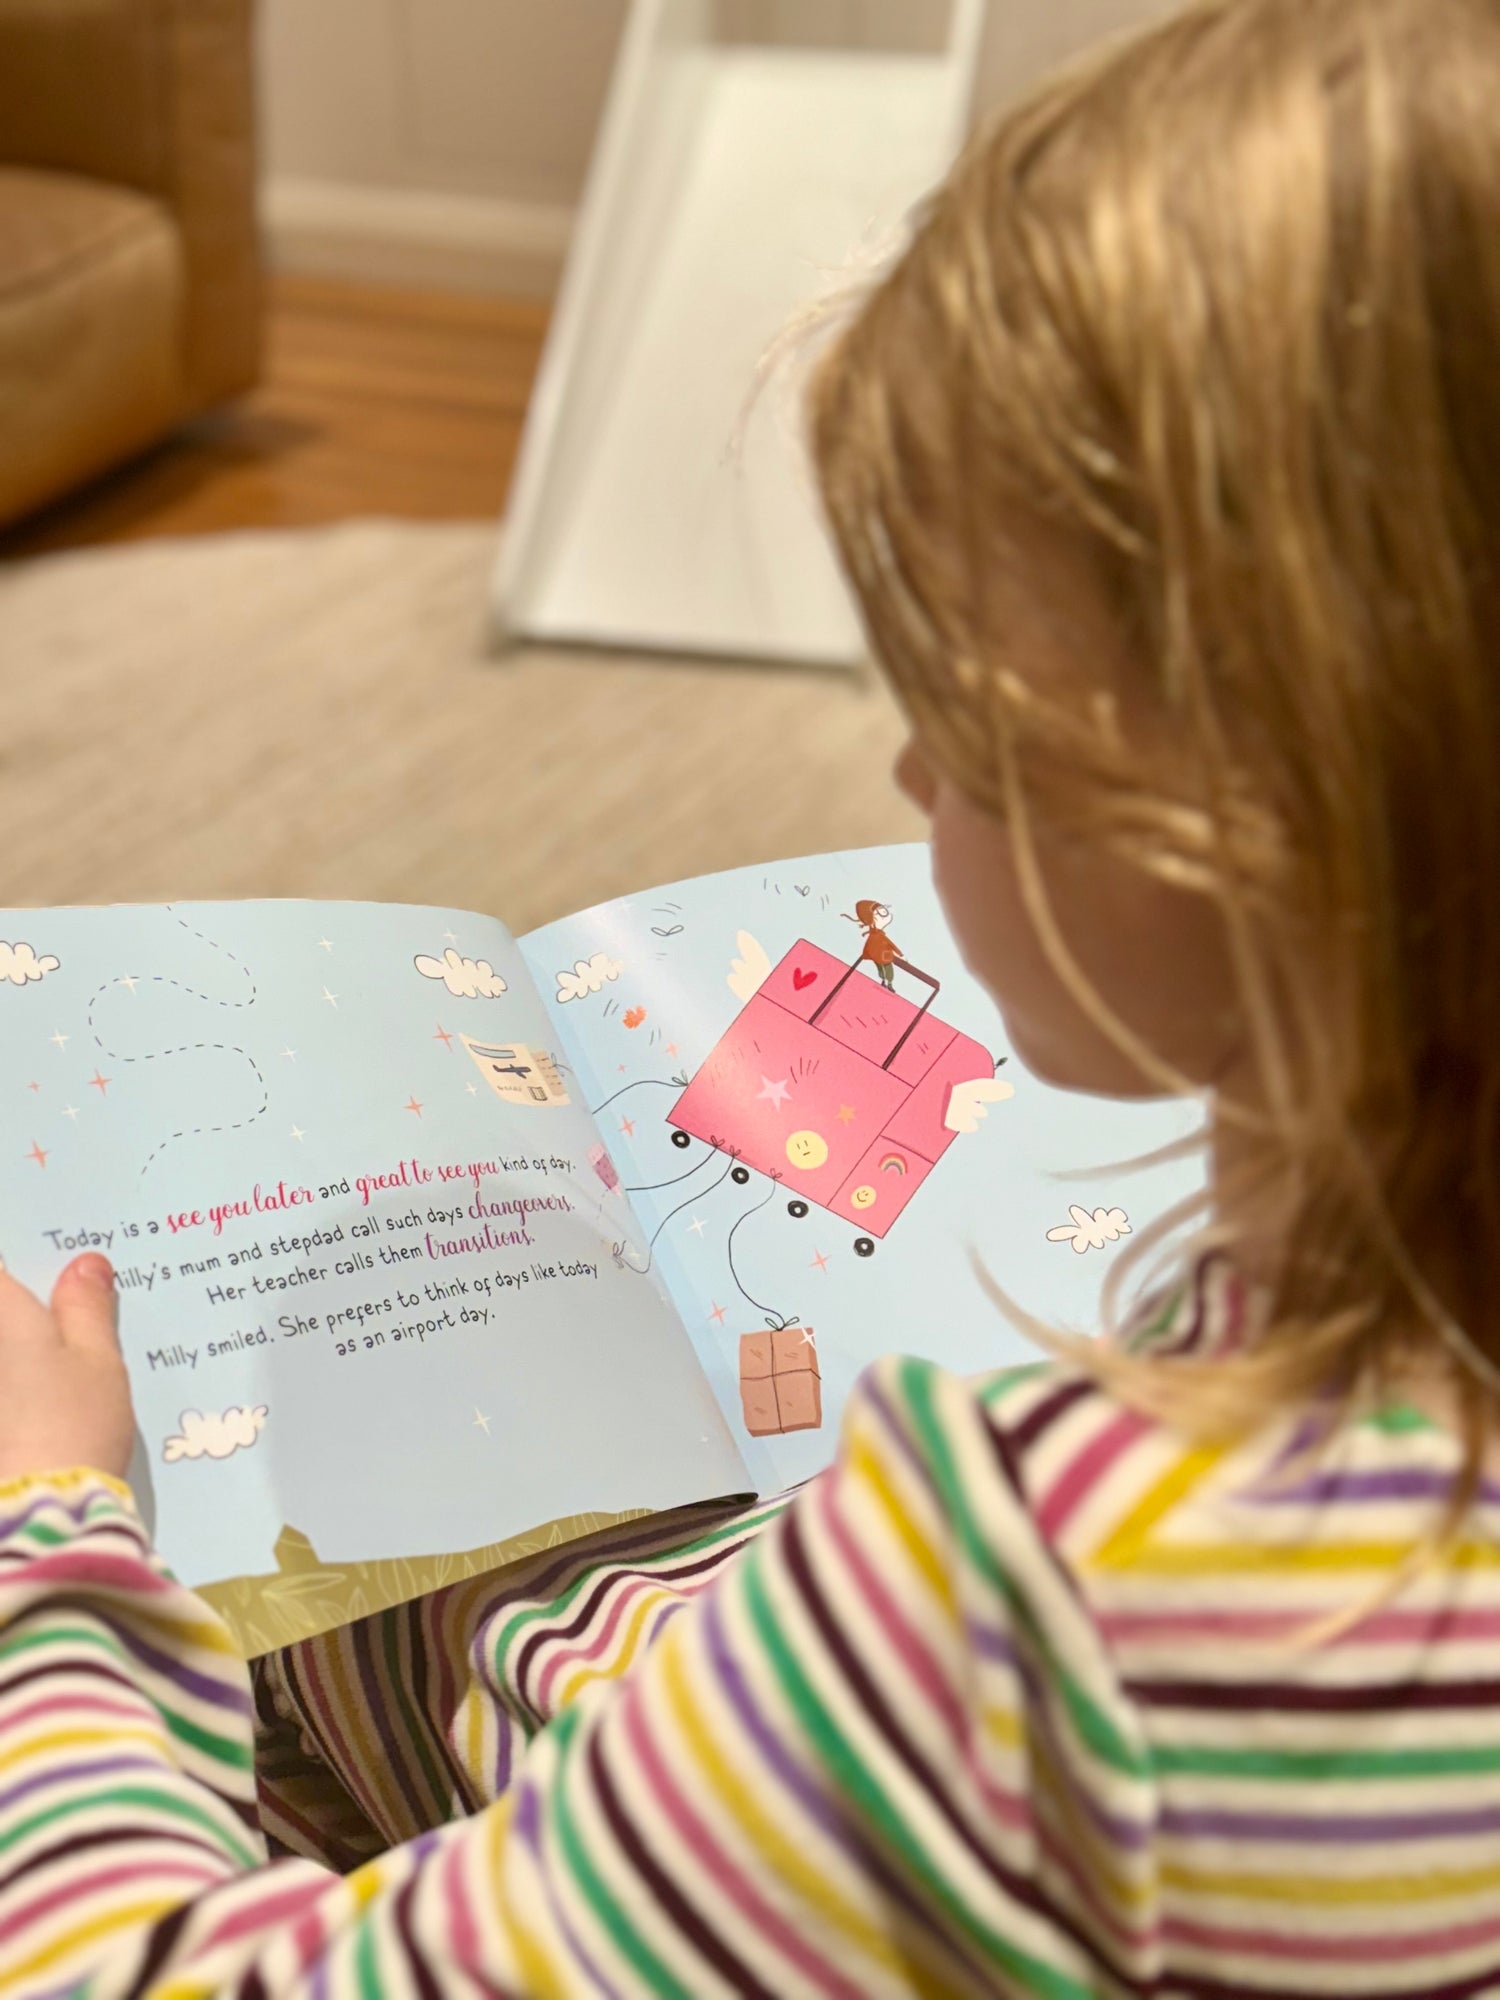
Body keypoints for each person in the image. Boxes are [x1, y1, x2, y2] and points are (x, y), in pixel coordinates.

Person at [5, 0, 1500, 1989]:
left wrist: (50, 1537)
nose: (907, 786)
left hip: (833, 1768)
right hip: (833, 1715)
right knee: (613, 1569)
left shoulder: (1032, 1597)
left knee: (367, 1602)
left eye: (970, 731)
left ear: (1266, 808)